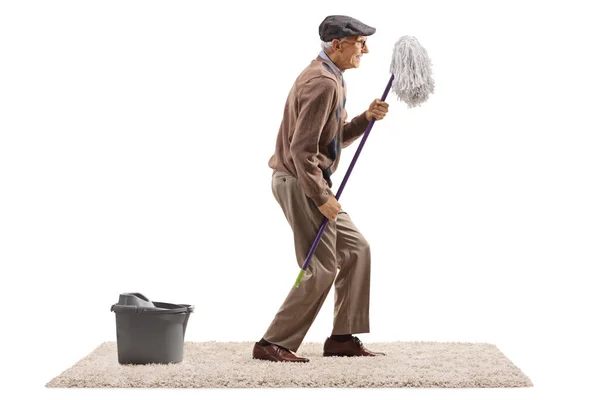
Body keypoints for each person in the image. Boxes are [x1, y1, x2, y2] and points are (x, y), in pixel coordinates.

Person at [253, 15, 390, 363]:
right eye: (361, 43)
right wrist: (322, 197)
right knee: (322, 265)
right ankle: (272, 342)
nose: (366, 49)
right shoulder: (322, 82)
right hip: (300, 182)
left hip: (310, 180)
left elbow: (329, 140)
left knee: (356, 248)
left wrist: (365, 118)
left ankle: (342, 338)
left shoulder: (333, 77)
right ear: (338, 44)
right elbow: (301, 151)